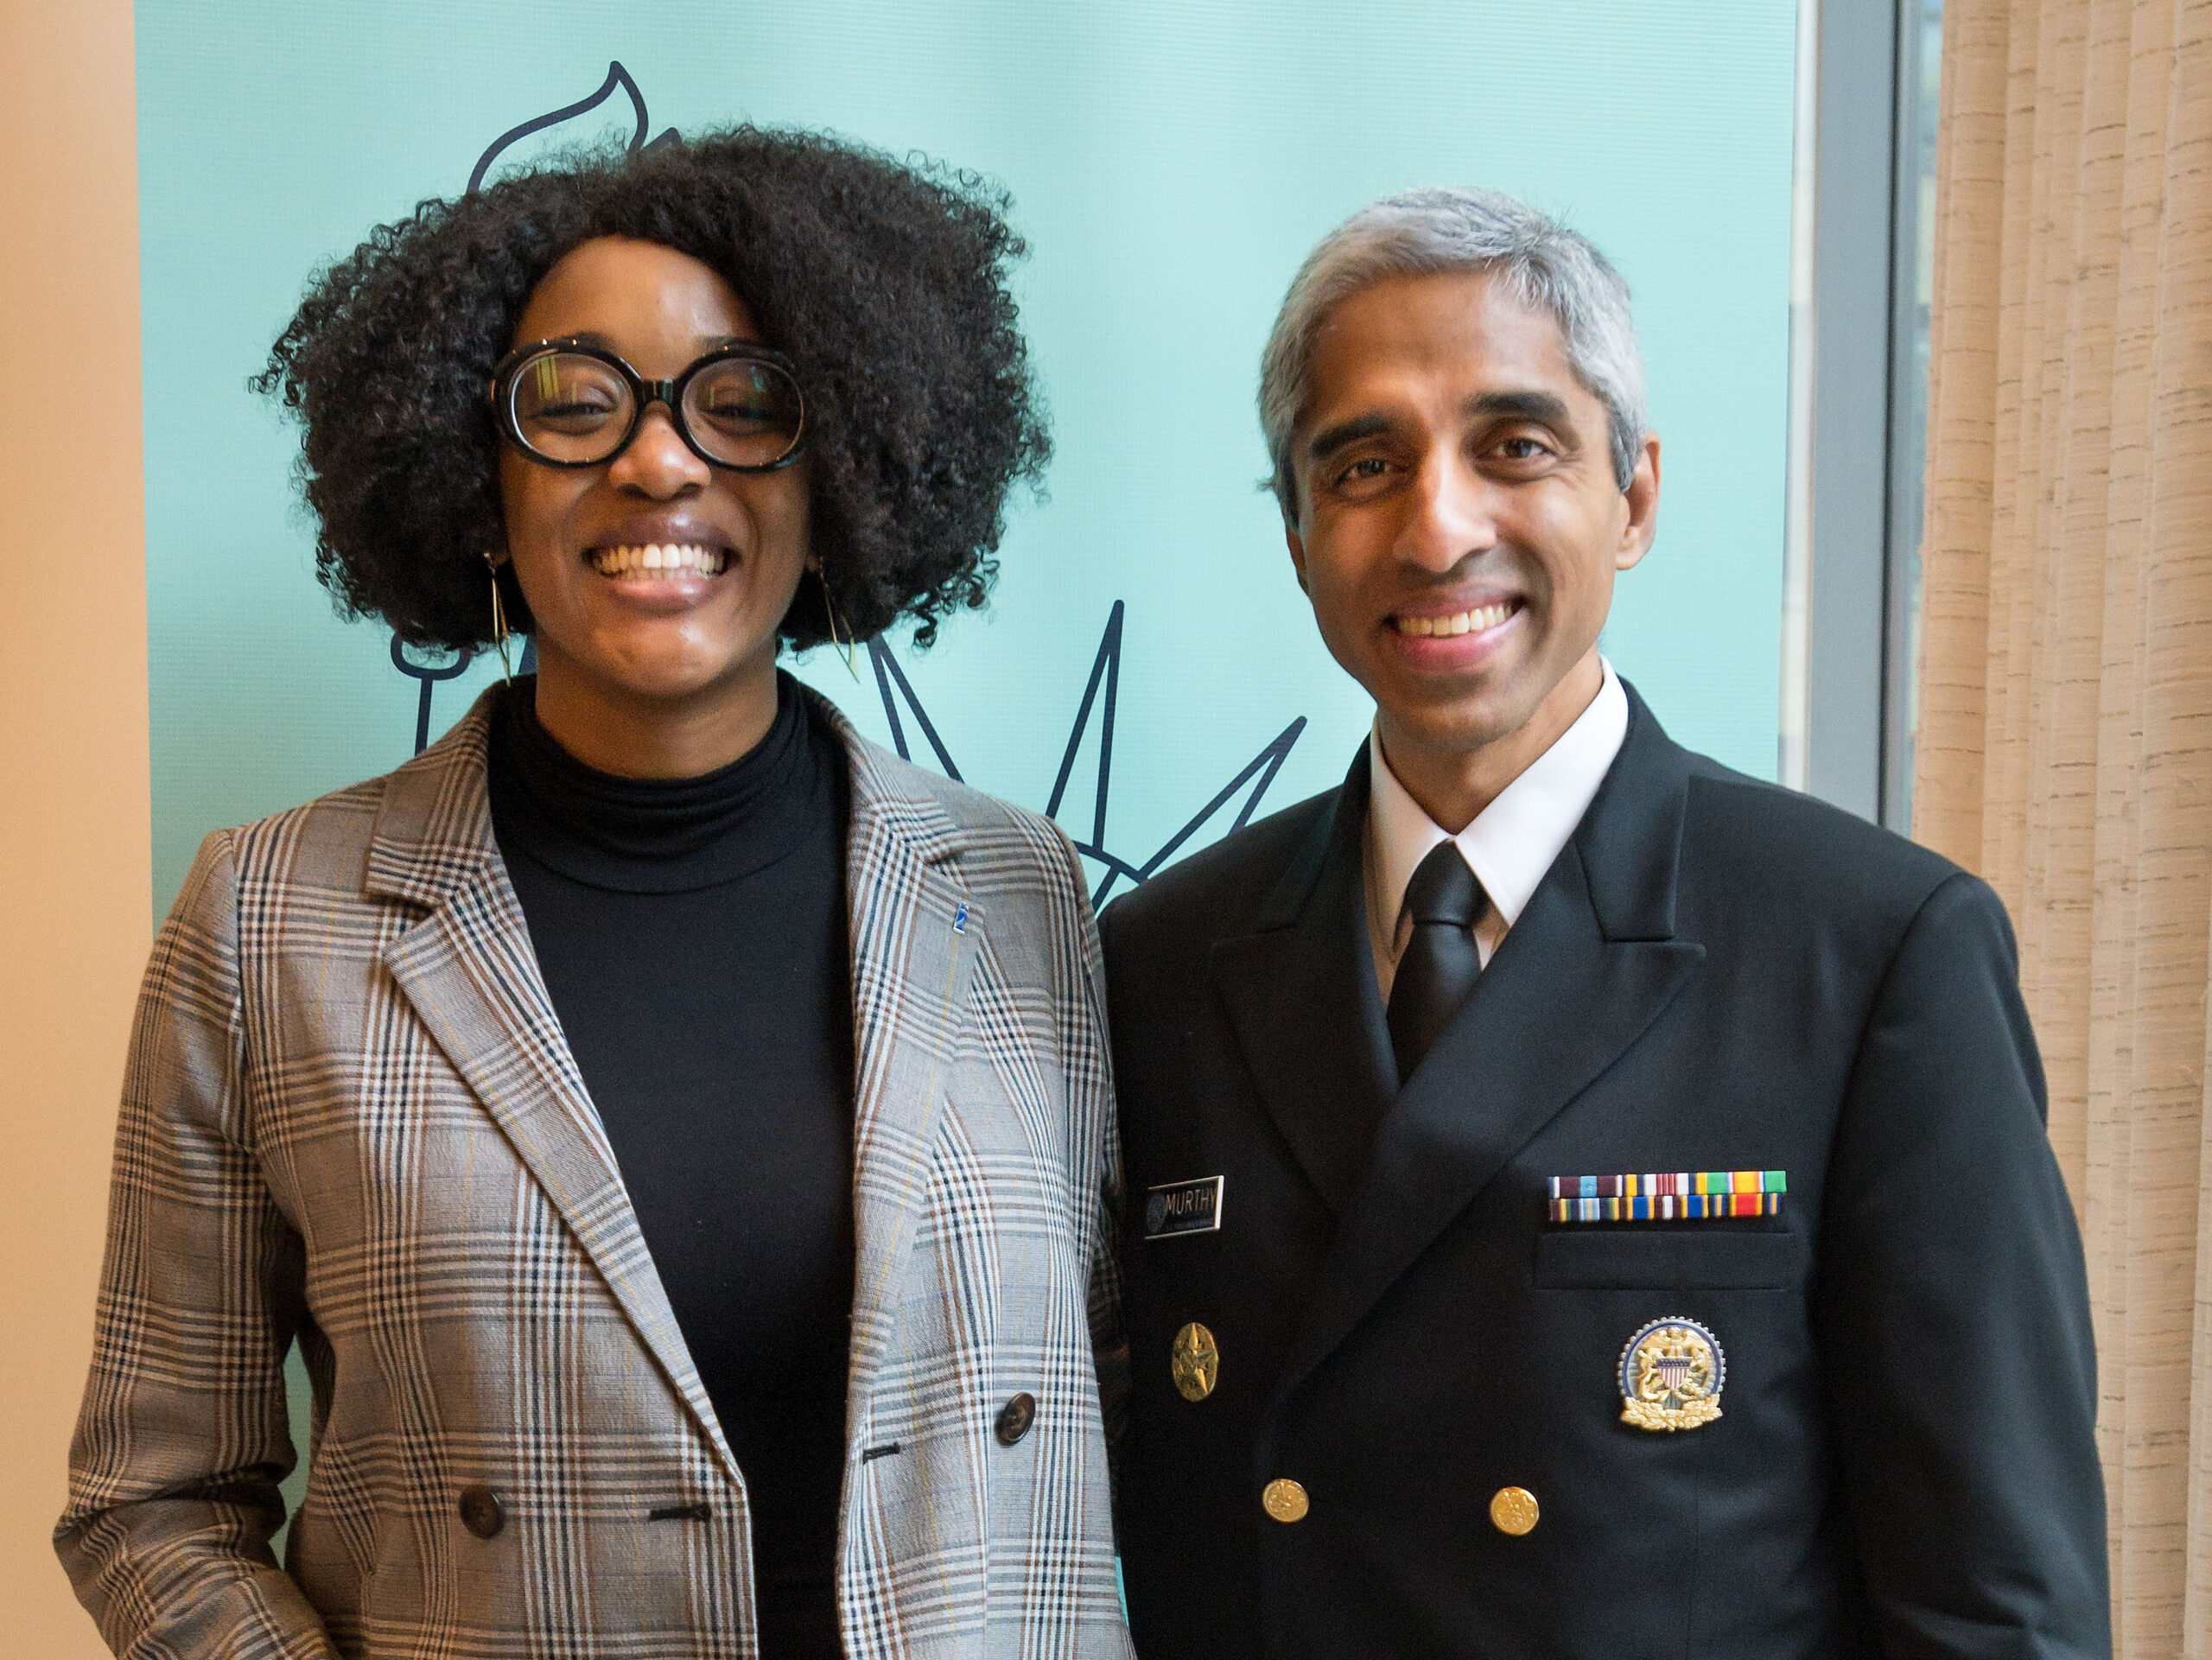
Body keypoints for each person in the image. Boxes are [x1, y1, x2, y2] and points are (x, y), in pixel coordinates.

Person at [58, 130, 1131, 1659]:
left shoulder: (1018, 891)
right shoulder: (269, 921)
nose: (661, 457)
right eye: (573, 401)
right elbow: (150, 1498)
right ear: (473, 486)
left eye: (743, 401)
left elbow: (1129, 1400)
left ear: (840, 481)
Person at [1101, 187, 2108, 1657]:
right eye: (1364, 462)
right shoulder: (1161, 961)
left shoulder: (1873, 947)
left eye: (1515, 446)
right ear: (1299, 532)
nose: (1439, 526)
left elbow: (1995, 1598)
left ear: (1633, 497)